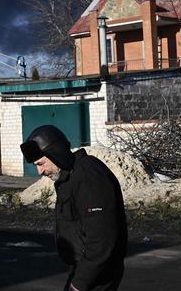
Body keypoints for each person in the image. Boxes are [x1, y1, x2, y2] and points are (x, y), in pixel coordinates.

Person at [20, 125, 128, 291]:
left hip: (97, 274)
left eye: (41, 163)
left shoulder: (88, 176)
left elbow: (101, 240)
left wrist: (80, 283)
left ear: (55, 154)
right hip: (84, 270)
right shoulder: (69, 177)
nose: (39, 171)